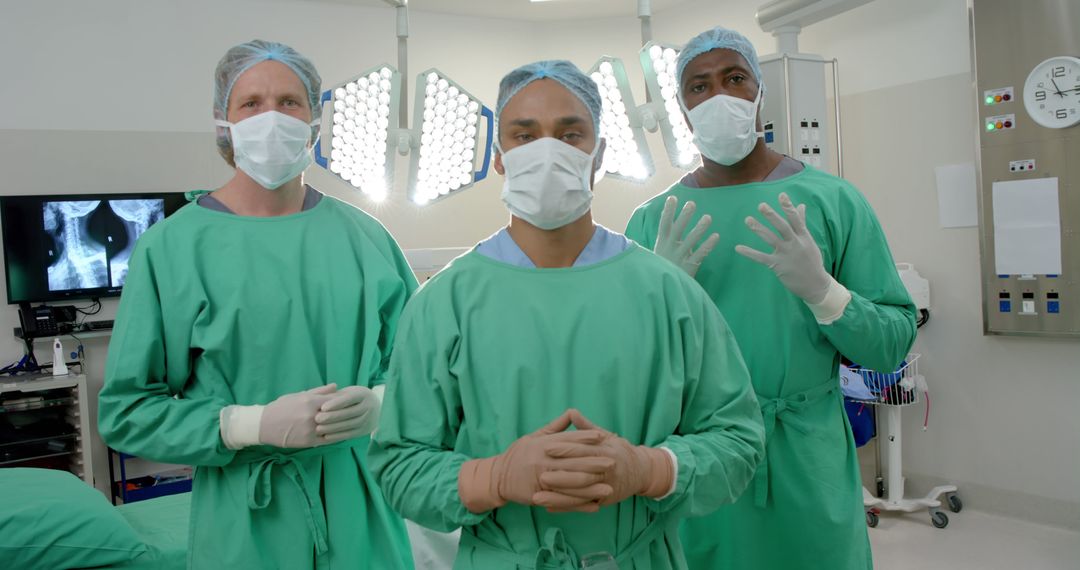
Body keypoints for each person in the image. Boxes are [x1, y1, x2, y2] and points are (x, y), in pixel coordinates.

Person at [368, 60, 765, 570]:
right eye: (524, 134)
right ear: (500, 159)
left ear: (598, 153)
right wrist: (493, 478)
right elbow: (400, 466)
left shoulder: (668, 293)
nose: (547, 150)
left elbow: (738, 439)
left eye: (570, 133)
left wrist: (649, 469)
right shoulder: (445, 302)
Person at [98, 40, 416, 569]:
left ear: (315, 119)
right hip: (246, 518)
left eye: (290, 102)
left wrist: (382, 404)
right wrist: (247, 425)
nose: (272, 117)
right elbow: (127, 412)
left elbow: (425, 374)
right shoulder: (173, 248)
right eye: (251, 103)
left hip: (363, 509)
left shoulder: (366, 239)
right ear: (223, 122)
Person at [625, 26, 918, 570]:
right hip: (698, 458)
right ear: (683, 110)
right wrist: (658, 306)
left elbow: (889, 348)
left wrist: (826, 294)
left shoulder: (833, 202)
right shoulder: (652, 222)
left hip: (805, 457)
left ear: (759, 94)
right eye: (698, 86)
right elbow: (623, 373)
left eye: (734, 79)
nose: (718, 96)